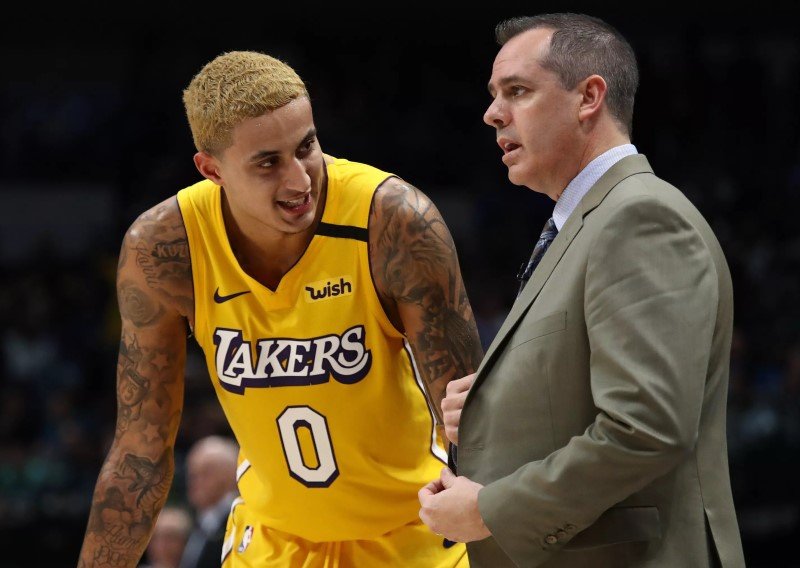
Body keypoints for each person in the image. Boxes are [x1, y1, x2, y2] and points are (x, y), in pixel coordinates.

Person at [78, 50, 483, 567]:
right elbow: (140, 452)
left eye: (306, 146)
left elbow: (472, 417)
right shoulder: (164, 248)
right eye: (268, 162)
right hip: (269, 542)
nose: (300, 180)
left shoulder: (394, 220)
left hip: (415, 532)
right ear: (211, 169)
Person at [418, 13, 745, 568]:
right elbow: (586, 396)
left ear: (589, 97)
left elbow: (645, 429)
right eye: (494, 94)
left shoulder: (639, 218)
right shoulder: (591, 220)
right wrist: (493, 407)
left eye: (517, 91)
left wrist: (490, 511)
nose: (492, 113)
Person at [179, 436, 239, 568]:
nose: (194, 480)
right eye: (191, 473)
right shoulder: (199, 524)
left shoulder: (239, 521)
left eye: (205, 472)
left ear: (231, 473)